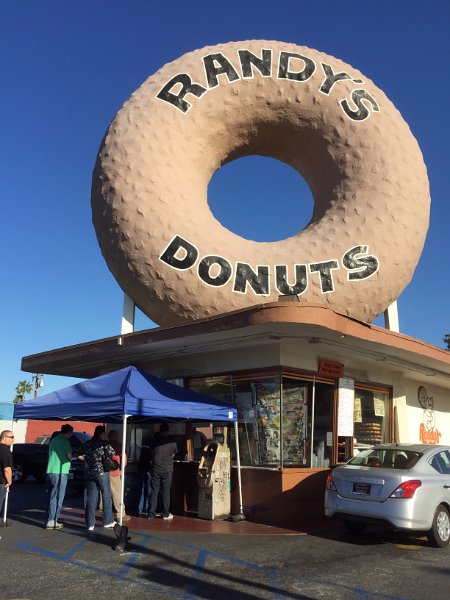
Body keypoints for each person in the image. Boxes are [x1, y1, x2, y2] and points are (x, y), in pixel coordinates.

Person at [79, 425, 116, 531]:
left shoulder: (87, 443)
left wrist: (88, 459)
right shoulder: (104, 443)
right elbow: (112, 453)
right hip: (102, 472)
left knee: (91, 498)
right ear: (102, 433)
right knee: (106, 496)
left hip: (90, 473)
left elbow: (79, 454)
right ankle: (107, 521)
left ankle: (90, 523)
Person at [45, 424, 73, 529]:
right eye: (71, 433)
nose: (71, 435)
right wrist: (76, 457)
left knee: (51, 495)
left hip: (50, 470)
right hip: (60, 471)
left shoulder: (54, 440)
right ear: (68, 432)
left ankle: (50, 518)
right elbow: (69, 457)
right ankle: (52, 520)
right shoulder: (65, 442)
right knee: (58, 497)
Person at [147, 423, 178, 520]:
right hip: (168, 469)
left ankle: (151, 514)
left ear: (160, 431)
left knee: (154, 491)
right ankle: (165, 513)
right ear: (168, 431)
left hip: (156, 468)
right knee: (166, 491)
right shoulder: (173, 442)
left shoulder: (154, 442)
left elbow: (151, 453)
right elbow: (174, 454)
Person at [106, 430, 130, 522]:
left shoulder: (105, 445)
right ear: (114, 436)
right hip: (115, 472)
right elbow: (124, 460)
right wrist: (122, 469)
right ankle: (121, 513)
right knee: (117, 493)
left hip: (105, 472)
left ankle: (104, 511)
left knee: (106, 493)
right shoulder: (119, 446)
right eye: (116, 435)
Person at [0, 430, 14, 522]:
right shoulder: (5, 451)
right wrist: (9, 481)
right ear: (4, 437)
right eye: (11, 437)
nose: (13, 440)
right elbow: (7, 469)